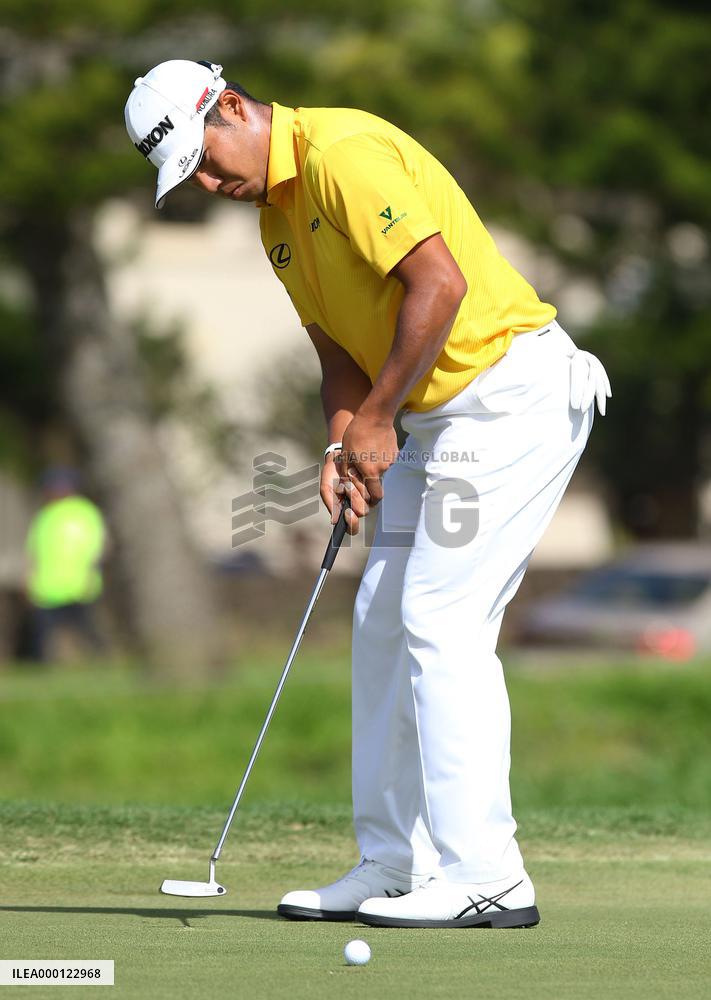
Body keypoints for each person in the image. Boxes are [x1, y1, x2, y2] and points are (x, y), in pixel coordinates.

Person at [125, 60, 611, 929]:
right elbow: (337, 350)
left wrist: (378, 420)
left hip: (509, 398)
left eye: (205, 160)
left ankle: (487, 875)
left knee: (438, 614)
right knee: (383, 613)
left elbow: (440, 285)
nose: (206, 184)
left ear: (231, 106)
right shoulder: (274, 215)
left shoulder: (341, 152)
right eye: (189, 178)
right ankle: (394, 864)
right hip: (437, 419)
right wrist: (344, 442)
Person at [25, 468, 107, 663]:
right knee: (42, 633)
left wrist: (91, 572)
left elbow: (98, 546)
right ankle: (44, 666)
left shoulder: (84, 512)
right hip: (48, 587)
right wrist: (30, 577)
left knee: (87, 629)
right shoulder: (45, 516)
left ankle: (102, 660)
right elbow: (34, 550)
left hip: (78, 584)